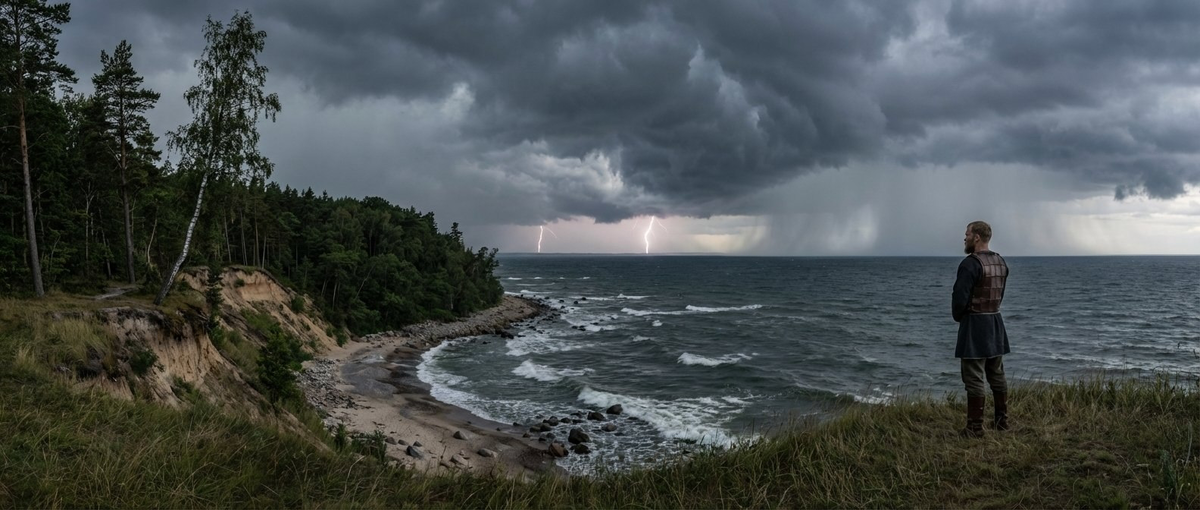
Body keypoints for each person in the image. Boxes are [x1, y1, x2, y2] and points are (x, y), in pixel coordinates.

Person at [952, 221, 1010, 438]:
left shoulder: (970, 264)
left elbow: (960, 299)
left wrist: (960, 317)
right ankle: (1002, 422)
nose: (964, 238)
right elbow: (999, 294)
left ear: (976, 237)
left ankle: (975, 428)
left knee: (974, 377)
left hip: (975, 324)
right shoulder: (1001, 262)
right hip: (995, 322)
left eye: (967, 234)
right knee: (996, 374)